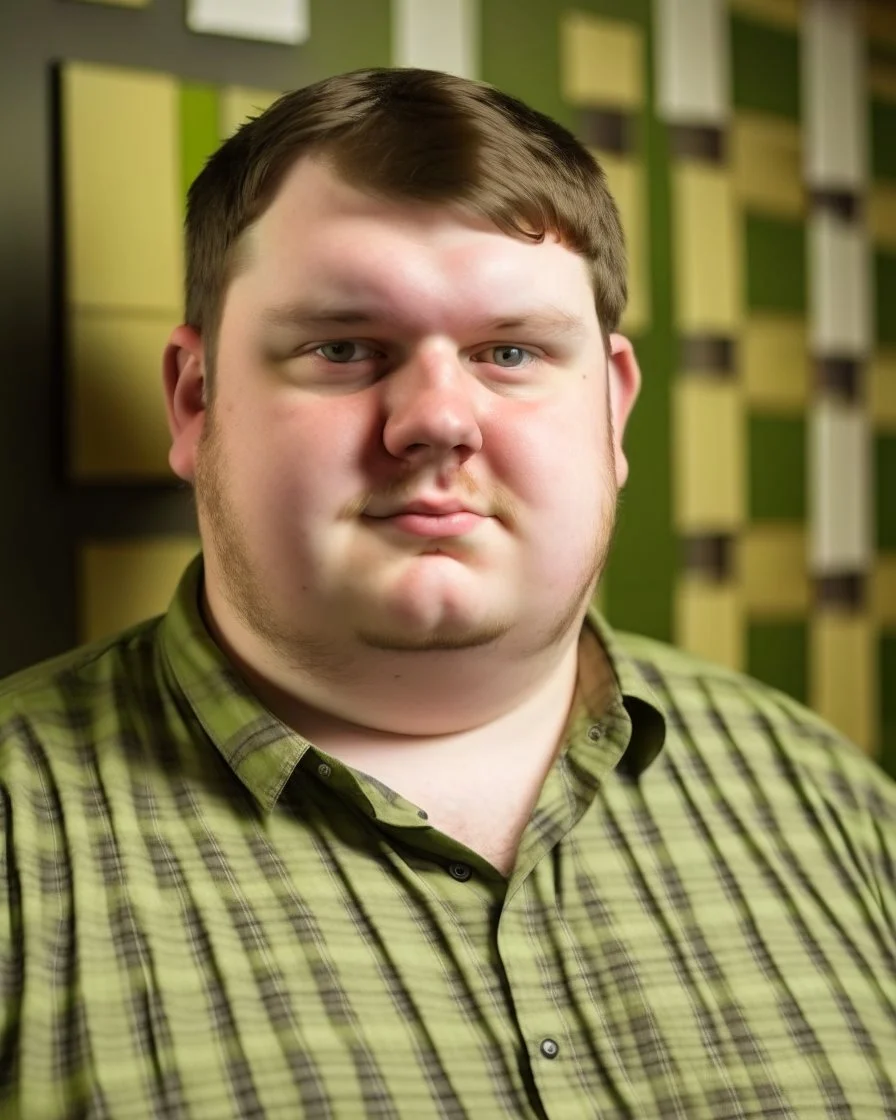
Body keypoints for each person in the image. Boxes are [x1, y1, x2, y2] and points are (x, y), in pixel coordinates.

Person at [1, 67, 894, 1119]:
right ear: (198, 403)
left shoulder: (839, 809)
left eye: (508, 351)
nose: (435, 419)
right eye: (342, 348)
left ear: (609, 411)